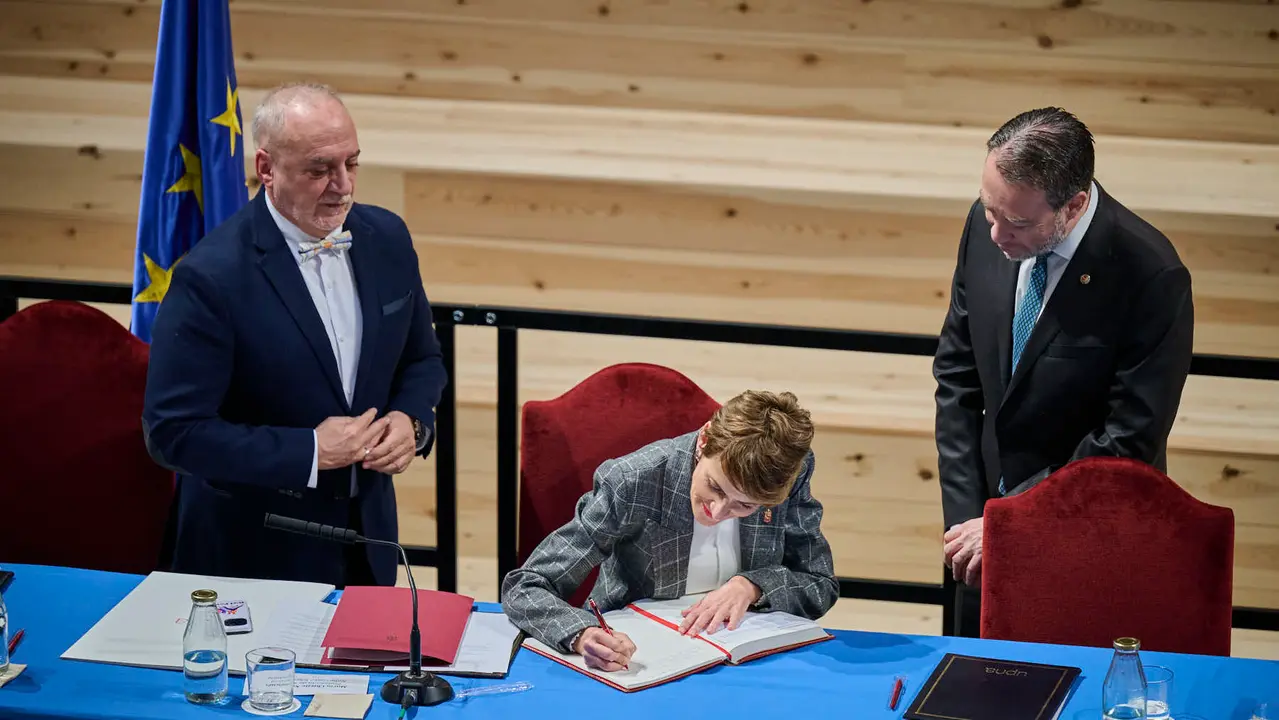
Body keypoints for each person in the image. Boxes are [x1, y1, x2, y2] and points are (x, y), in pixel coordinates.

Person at [142, 83, 448, 588]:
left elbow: (422, 360)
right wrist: (309, 451)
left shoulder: (387, 238)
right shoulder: (211, 277)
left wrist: (410, 419)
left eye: (352, 163)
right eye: (319, 169)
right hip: (250, 558)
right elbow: (173, 433)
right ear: (266, 168)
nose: (343, 186)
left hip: (367, 544)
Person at [933, 107, 1194, 635]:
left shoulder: (1149, 274)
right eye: (990, 209)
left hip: (1085, 543)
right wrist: (967, 520)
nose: (997, 234)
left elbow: (1127, 438)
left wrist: (1010, 522)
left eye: (1018, 223)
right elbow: (957, 378)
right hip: (977, 543)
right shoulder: (987, 224)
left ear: (1073, 205)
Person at [501, 390, 838, 672]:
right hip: (641, 659)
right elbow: (525, 586)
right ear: (704, 441)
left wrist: (752, 586)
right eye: (714, 487)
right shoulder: (634, 481)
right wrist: (582, 634)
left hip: (749, 660)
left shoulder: (789, 475)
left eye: (744, 506)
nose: (719, 512)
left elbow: (819, 584)